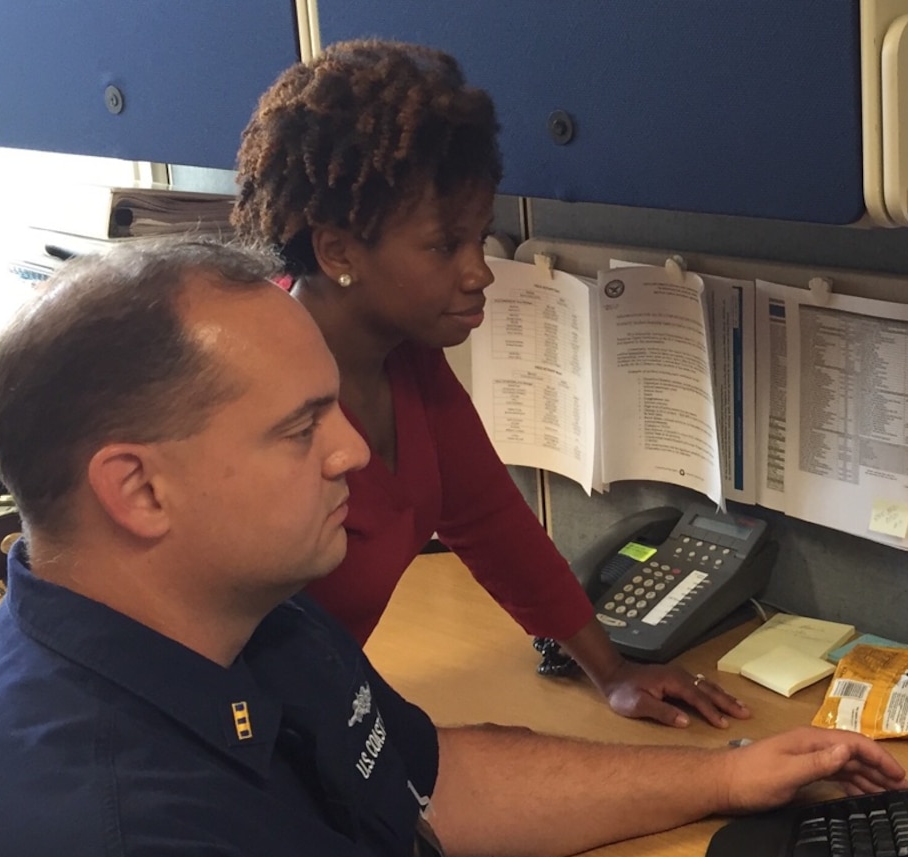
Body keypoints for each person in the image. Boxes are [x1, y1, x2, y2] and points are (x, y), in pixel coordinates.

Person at [0, 238, 908, 857]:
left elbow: (430, 778)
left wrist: (730, 776)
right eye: (303, 427)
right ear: (138, 492)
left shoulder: (242, 615)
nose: (351, 451)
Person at [232, 40, 743, 730]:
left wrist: (614, 671)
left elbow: (492, 523)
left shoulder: (404, 357)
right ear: (338, 250)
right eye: (445, 246)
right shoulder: (246, 393)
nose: (480, 272)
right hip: (224, 749)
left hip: (311, 718)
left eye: (480, 238)